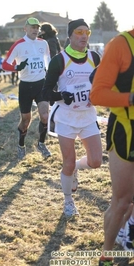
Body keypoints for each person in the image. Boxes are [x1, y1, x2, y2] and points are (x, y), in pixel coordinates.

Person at [41, 19, 102, 217]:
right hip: (66, 118)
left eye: (87, 32)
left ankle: (76, 168)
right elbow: (46, 92)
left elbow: (103, 84)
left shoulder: (94, 57)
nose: (84, 35)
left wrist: (97, 95)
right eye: (79, 32)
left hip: (87, 116)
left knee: (96, 161)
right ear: (70, 35)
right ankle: (68, 200)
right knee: (67, 162)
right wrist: (61, 96)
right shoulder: (59, 60)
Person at [89, 28, 134, 266]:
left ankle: (124, 238)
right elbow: (97, 94)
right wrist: (130, 98)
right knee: (122, 201)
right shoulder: (120, 45)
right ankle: (106, 257)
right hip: (126, 130)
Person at [2, 17, 51, 160]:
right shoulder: (18, 45)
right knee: (25, 120)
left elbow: (48, 62)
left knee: (44, 116)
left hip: (41, 84)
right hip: (25, 86)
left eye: (37, 27)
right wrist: (17, 67)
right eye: (32, 27)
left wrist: (51, 78)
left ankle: (41, 144)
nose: (35, 30)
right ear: (25, 28)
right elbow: (5, 64)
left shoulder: (44, 43)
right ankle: (21, 145)